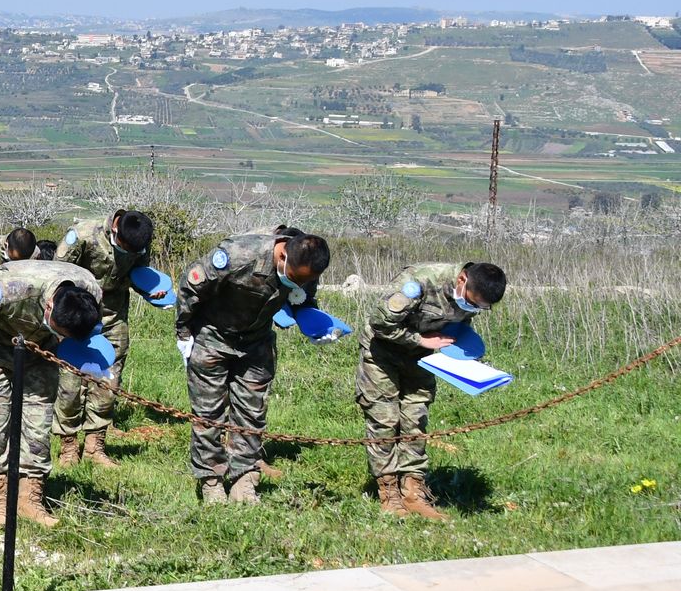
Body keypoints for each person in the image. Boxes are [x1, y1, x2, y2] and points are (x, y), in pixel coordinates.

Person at [175, 226, 332, 504]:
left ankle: (243, 480)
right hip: (213, 337)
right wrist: (184, 333)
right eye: (293, 278)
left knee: (251, 413)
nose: (296, 284)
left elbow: (303, 300)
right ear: (282, 254)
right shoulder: (238, 254)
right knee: (209, 413)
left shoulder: (307, 270)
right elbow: (191, 284)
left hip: (256, 342)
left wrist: (313, 322)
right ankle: (211, 481)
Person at [0, 259, 104, 527]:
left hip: (41, 353)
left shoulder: (91, 292)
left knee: (38, 421)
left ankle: (30, 499)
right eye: (60, 331)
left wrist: (87, 355)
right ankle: (0, 501)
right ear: (49, 307)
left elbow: (92, 331)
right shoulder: (6, 289)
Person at [356, 261, 506, 521]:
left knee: (415, 419)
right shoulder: (420, 282)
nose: (471, 308)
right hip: (382, 353)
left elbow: (457, 327)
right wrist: (421, 340)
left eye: (479, 307)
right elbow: (380, 323)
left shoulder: (471, 296)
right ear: (462, 280)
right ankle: (388, 491)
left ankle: (413, 491)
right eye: (472, 302)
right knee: (384, 420)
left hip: (422, 357)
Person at [53, 210, 157, 468]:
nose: (130, 254)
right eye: (125, 248)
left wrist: (150, 290)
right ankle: (68, 446)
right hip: (77, 317)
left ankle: (94, 445)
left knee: (108, 380)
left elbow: (139, 274)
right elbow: (57, 275)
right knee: (70, 382)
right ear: (115, 231)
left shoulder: (139, 241)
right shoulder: (82, 236)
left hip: (113, 319)